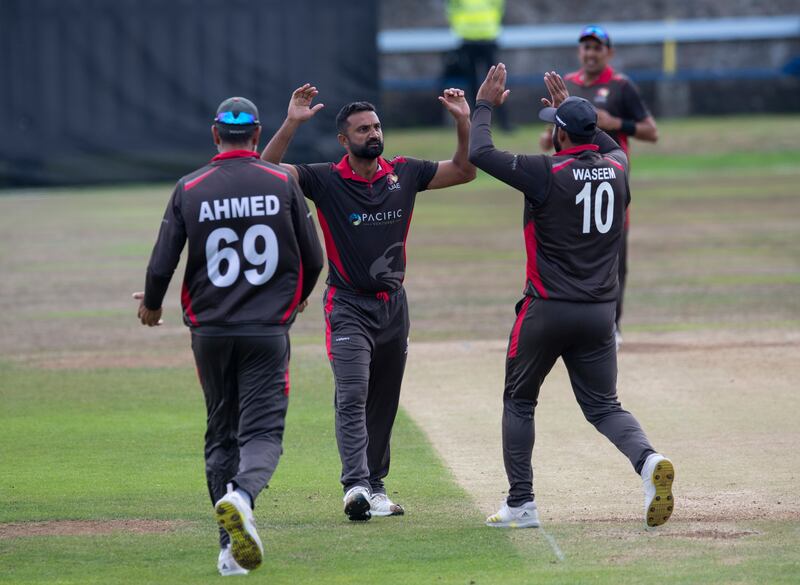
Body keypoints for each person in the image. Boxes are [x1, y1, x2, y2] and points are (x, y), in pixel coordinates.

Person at [469, 64, 674, 529]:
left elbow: (479, 151)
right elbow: (602, 145)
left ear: (560, 136)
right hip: (600, 313)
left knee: (519, 401)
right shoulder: (620, 167)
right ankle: (648, 461)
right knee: (604, 406)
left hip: (547, 309)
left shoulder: (546, 171)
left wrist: (483, 103)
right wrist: (575, 113)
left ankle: (521, 504)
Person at [261, 83, 475, 521]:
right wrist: (291, 123)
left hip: (394, 306)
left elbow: (464, 170)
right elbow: (264, 171)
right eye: (362, 129)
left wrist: (464, 121)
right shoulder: (325, 178)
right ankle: (355, 485)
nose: (373, 133)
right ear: (344, 140)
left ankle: (375, 488)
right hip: (348, 306)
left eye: (376, 126)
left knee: (383, 400)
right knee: (353, 392)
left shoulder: (405, 172)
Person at [134, 97, 323, 575]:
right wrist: (294, 298)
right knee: (262, 433)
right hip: (265, 330)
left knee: (221, 432)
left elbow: (162, 262)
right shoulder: (281, 182)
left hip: (211, 331)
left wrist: (152, 304)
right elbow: (314, 258)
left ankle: (227, 550)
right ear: (257, 136)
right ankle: (241, 495)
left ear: (215, 135)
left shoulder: (189, 187)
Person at [539, 24, 659, 346]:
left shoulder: (621, 87)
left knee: (614, 259)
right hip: (570, 186)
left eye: (597, 48)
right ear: (580, 51)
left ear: (609, 53)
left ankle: (612, 325)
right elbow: (552, 136)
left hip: (608, 183)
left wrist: (615, 123)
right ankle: (571, 320)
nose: (591, 53)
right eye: (586, 47)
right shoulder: (569, 84)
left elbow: (651, 131)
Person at [446, 0, 512, 131]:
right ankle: (476, 123)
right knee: (473, 86)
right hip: (468, 40)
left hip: (487, 37)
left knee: (497, 83)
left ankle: (503, 123)